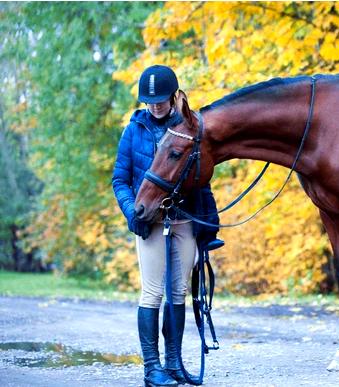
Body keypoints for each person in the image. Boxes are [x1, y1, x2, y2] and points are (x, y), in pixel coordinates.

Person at [112, 65, 222, 387]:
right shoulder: (134, 130)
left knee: (179, 292)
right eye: (150, 101)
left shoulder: (190, 126)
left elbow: (203, 175)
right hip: (150, 223)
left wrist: (208, 223)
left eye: (161, 100)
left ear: (174, 97)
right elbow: (120, 178)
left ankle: (174, 362)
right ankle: (152, 368)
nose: (155, 106)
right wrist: (133, 211)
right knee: (152, 292)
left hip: (184, 220)